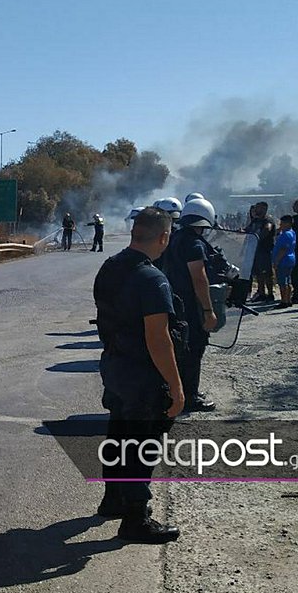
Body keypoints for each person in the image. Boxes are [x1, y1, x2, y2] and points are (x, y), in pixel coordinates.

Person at [93, 207, 184, 543]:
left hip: (115, 366)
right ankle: (135, 518)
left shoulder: (110, 267)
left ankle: (113, 498)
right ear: (162, 237)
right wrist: (176, 388)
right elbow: (158, 339)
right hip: (142, 373)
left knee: (118, 433)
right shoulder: (152, 279)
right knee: (141, 445)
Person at [159, 196, 217, 412]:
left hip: (175, 301)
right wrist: (208, 310)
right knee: (194, 350)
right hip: (190, 305)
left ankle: (181, 390)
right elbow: (199, 278)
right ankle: (190, 397)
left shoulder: (175, 237)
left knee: (181, 349)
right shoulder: (194, 244)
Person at [249, 202, 276, 303]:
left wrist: (258, 237)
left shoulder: (268, 220)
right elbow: (247, 229)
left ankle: (270, 294)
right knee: (258, 274)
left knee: (267, 273)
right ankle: (261, 293)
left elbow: (268, 228)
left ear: (264, 209)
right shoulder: (255, 220)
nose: (256, 210)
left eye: (258, 208)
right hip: (255, 250)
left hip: (265, 250)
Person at [272, 215, 297, 309]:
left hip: (284, 260)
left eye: (282, 223)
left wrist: (276, 261)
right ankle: (288, 299)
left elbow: (283, 249)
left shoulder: (286, 234)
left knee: (283, 282)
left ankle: (284, 301)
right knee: (288, 280)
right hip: (290, 258)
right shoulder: (292, 233)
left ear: (288, 223)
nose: (280, 225)